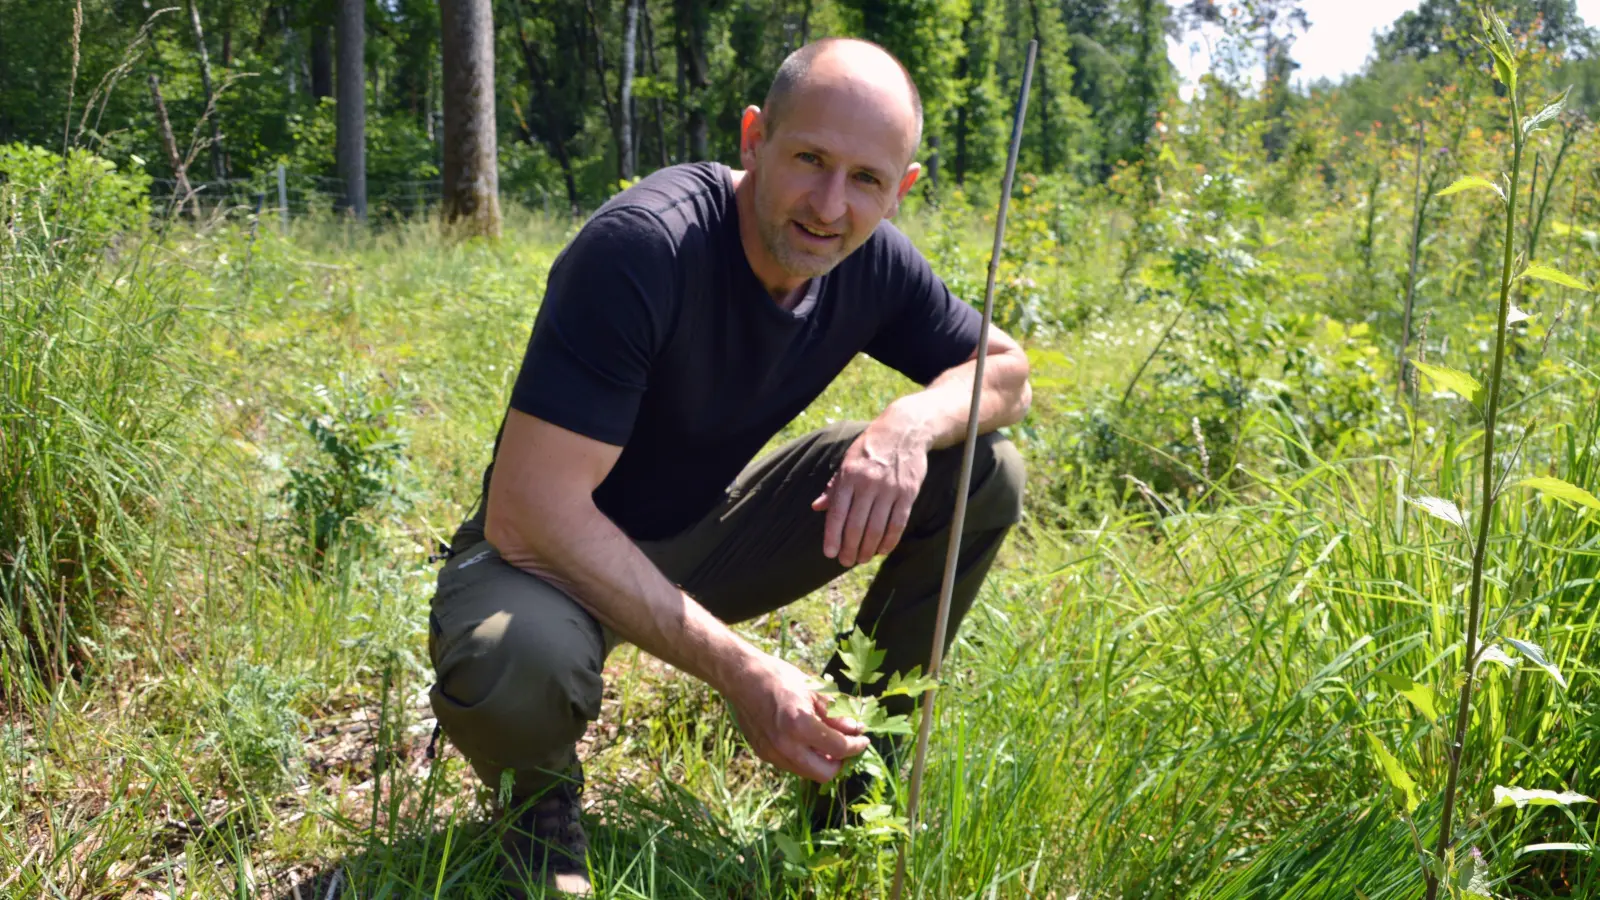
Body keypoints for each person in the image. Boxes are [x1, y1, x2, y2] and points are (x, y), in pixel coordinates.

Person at [424, 36, 1032, 896]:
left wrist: (908, 423)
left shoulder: (871, 261)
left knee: (981, 471)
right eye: (809, 159)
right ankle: (540, 812)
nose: (830, 205)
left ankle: (849, 777)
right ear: (755, 138)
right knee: (512, 660)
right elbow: (530, 513)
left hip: (706, 534)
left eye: (865, 179)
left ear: (902, 189)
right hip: (543, 557)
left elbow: (1007, 370)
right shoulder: (646, 246)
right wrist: (746, 673)